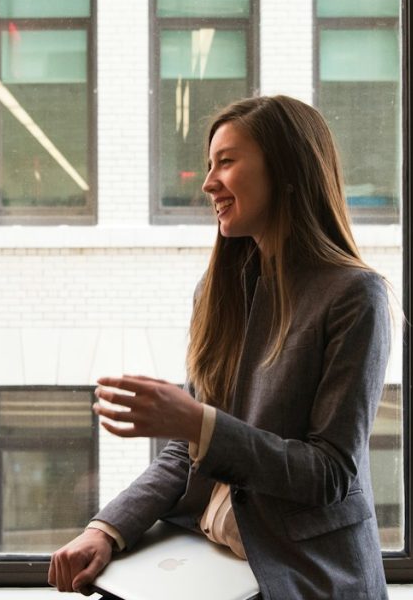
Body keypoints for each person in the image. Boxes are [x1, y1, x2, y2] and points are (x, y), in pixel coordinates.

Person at [49, 96, 393, 599]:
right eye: (210, 165)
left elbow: (329, 474)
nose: (208, 182)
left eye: (226, 162)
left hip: (305, 572)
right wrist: (106, 529)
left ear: (286, 167)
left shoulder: (354, 296)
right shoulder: (221, 290)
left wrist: (197, 423)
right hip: (211, 559)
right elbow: (186, 454)